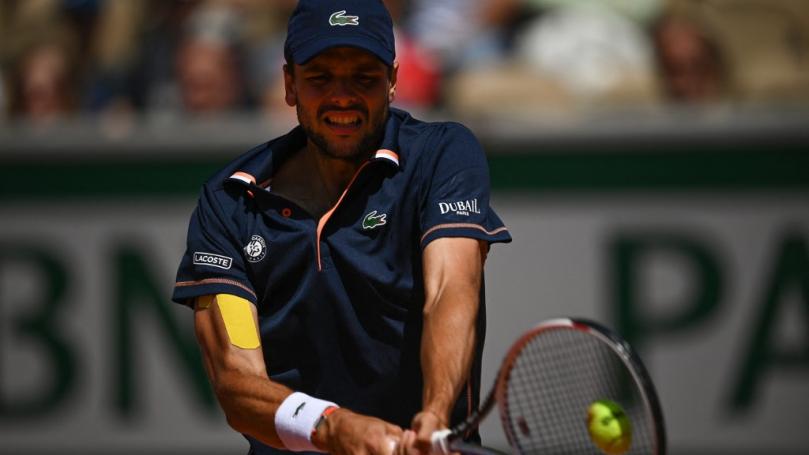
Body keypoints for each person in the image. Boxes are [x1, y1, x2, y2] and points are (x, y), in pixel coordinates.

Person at [172, 1, 511, 454]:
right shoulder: (230, 200)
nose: (343, 96)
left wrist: (434, 413)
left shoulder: (442, 155)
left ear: (392, 81)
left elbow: (451, 289)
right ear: (290, 83)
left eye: (363, 77)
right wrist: (333, 427)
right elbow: (237, 383)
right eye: (320, 77)